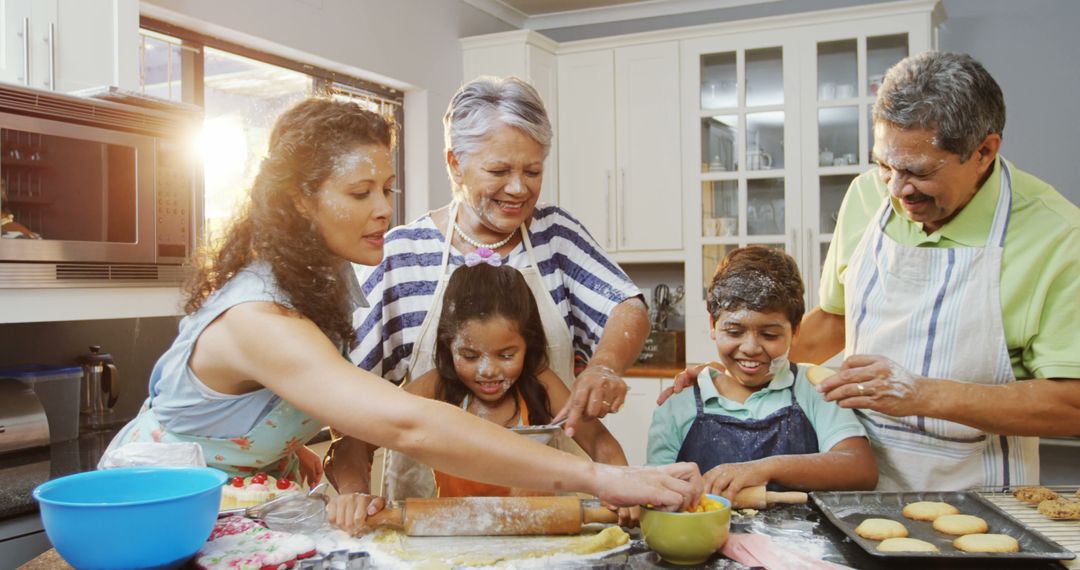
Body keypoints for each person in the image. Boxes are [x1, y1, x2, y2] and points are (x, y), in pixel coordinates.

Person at [100, 97, 702, 533]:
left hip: (255, 497)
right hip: (161, 505)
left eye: (386, 189)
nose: (385, 210)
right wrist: (602, 481)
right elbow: (404, 422)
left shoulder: (319, 287)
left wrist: (296, 457)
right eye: (361, 194)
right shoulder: (260, 317)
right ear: (298, 201)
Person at [663, 51, 1080, 491]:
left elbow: (1072, 403)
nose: (897, 190)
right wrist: (736, 371)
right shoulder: (866, 196)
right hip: (855, 480)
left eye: (917, 172)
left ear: (984, 151)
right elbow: (837, 321)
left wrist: (922, 396)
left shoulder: (1057, 236)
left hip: (980, 493)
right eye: (884, 164)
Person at [326, 76, 651, 500]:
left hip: (551, 501)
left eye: (532, 170)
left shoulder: (556, 235)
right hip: (426, 515)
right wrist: (354, 494)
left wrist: (604, 366)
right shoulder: (399, 254)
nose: (519, 188)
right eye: (499, 170)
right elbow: (349, 405)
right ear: (455, 164)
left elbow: (626, 307)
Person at [405, 260, 638, 525]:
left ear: (528, 344)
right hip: (456, 538)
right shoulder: (436, 387)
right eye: (469, 355)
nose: (488, 370)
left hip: (538, 540)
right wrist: (357, 490)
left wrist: (622, 483)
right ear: (449, 346)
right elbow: (366, 432)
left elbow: (600, 442)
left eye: (506, 355)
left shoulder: (541, 385)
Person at [647, 246, 876, 501]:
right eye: (734, 332)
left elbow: (860, 469)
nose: (750, 348)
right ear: (713, 325)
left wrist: (765, 469)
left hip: (799, 540)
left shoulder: (813, 389)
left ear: (796, 331)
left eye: (769, 335)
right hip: (703, 540)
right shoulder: (680, 403)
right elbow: (657, 490)